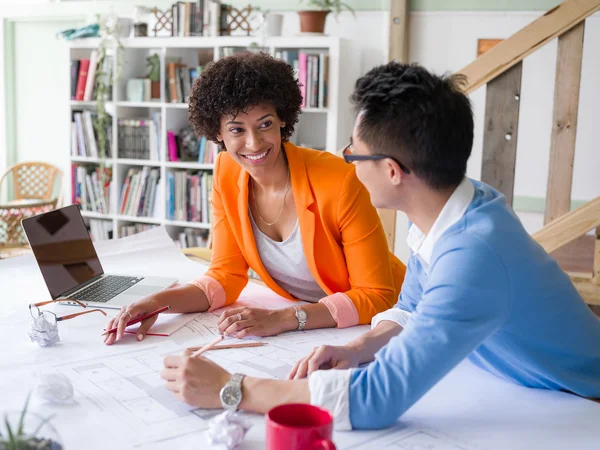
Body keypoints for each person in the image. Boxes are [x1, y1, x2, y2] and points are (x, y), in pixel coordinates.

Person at [159, 61, 600, 428]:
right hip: (509, 383)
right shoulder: (454, 206)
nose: (347, 160)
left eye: (355, 153)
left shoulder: (474, 254)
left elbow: (375, 401)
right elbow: (410, 309)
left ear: (391, 171)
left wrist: (232, 388)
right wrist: (357, 348)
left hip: (578, 405)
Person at [104, 52, 405, 345]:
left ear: (282, 120)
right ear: (218, 134)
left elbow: (376, 295)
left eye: (265, 124)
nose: (254, 143)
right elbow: (225, 276)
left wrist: (284, 319)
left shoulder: (339, 180)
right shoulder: (226, 171)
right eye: (237, 129)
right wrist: (156, 303)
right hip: (323, 329)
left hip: (392, 317)